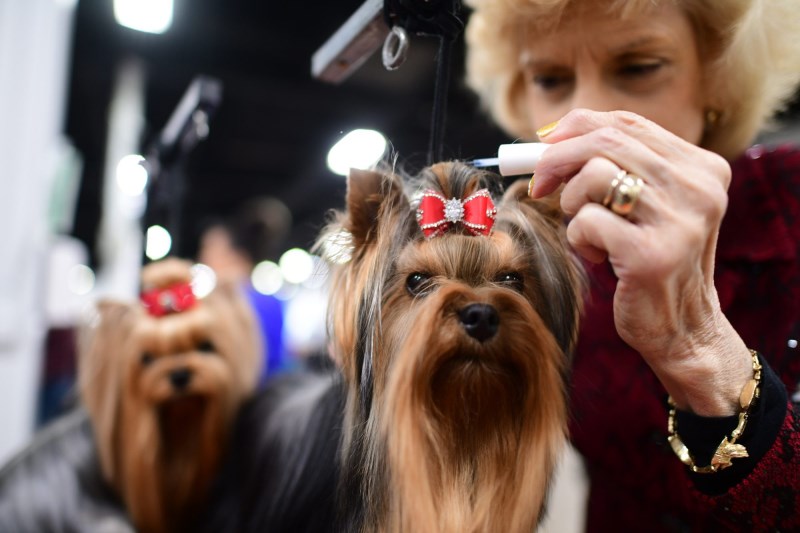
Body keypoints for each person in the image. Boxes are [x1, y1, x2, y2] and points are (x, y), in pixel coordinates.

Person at [464, 0, 800, 530]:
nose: (588, 109)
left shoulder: (791, 207)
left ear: (716, 77)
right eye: (550, 78)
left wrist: (697, 341)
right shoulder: (542, 259)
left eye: (639, 67)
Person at [198, 197, 294, 382]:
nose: (203, 256)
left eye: (209, 248)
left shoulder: (224, 304)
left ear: (233, 254)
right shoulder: (273, 302)